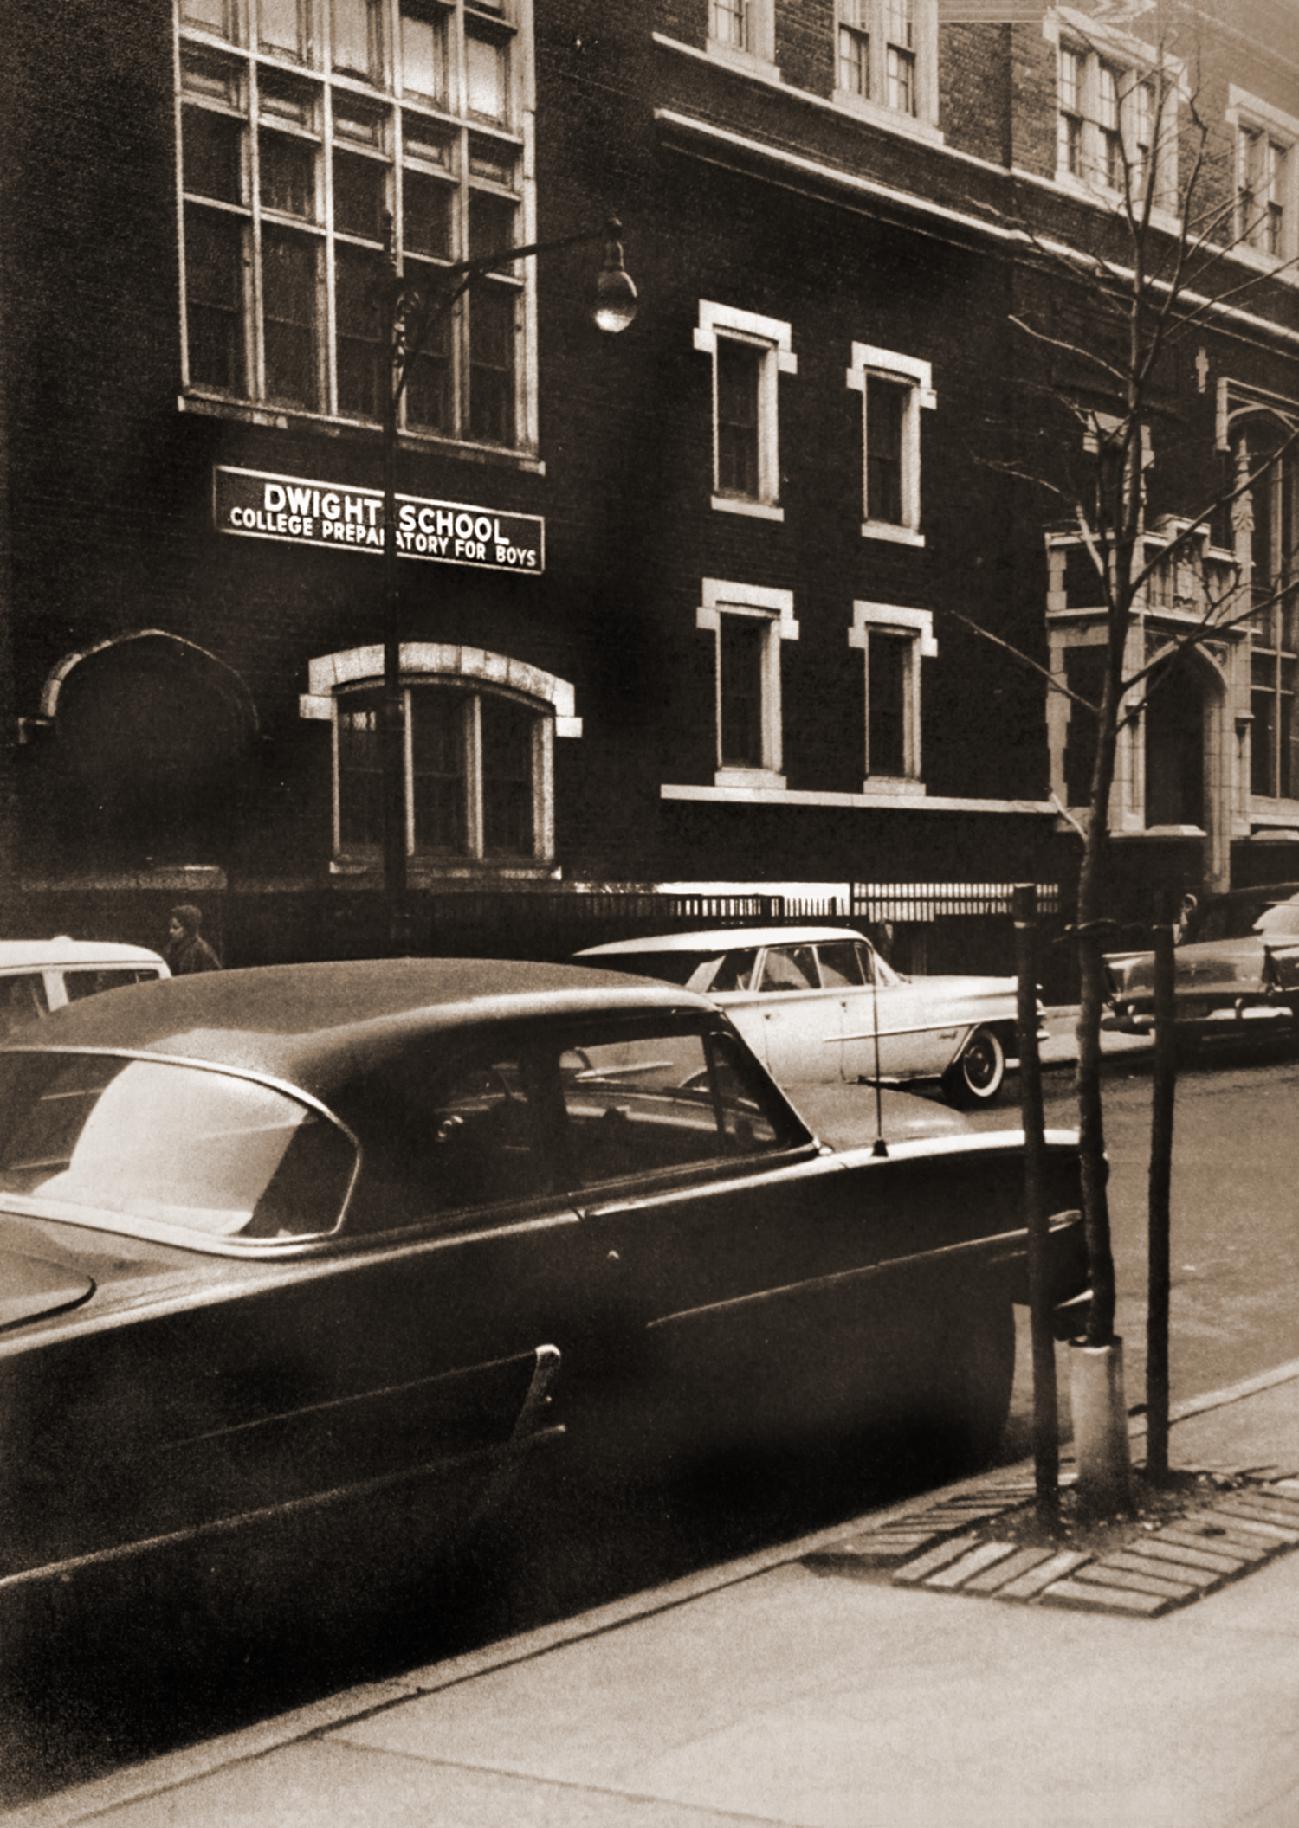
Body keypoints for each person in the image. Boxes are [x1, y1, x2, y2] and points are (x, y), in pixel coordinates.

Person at [166, 904, 222, 975]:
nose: (171, 931)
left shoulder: (202, 950)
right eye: (171, 927)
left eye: (176, 927)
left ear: (187, 929)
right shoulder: (171, 948)